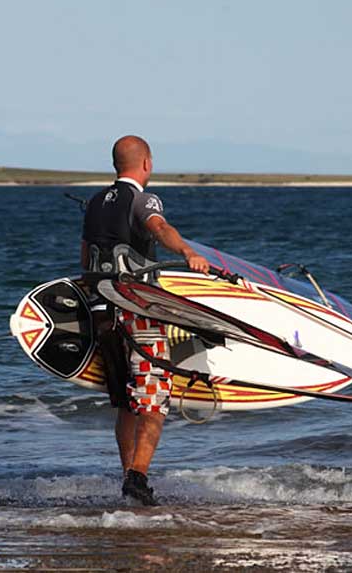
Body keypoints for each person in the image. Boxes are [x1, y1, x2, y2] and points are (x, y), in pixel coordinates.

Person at [81, 135, 210, 506]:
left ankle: (128, 480)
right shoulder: (143, 198)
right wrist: (188, 251)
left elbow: (85, 256)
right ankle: (138, 478)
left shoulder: (93, 203)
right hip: (136, 308)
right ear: (147, 163)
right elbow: (158, 227)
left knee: (124, 401)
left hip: (102, 312)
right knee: (153, 397)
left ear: (114, 165)